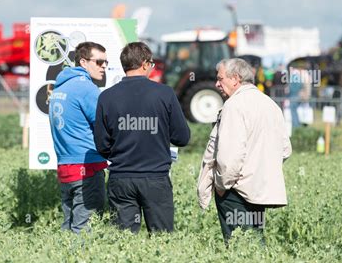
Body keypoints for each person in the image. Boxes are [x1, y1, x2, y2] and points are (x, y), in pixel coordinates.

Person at [94, 42, 190, 234]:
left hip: (120, 178)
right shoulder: (165, 93)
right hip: (156, 177)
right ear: (145, 64)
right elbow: (182, 137)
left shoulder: (106, 97)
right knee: (162, 239)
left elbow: (102, 145)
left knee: (123, 241)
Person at [197, 58, 292, 243]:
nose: (217, 84)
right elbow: (285, 150)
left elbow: (229, 157)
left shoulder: (234, 106)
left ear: (235, 79)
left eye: (220, 78)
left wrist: (222, 186)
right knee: (255, 241)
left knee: (239, 246)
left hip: (235, 191)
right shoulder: (270, 104)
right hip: (258, 189)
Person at [48, 41, 109, 233]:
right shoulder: (86, 88)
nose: (104, 67)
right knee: (84, 230)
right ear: (83, 61)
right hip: (87, 166)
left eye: (106, 62)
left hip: (65, 167)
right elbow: (105, 124)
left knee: (68, 226)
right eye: (99, 62)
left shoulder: (60, 88)